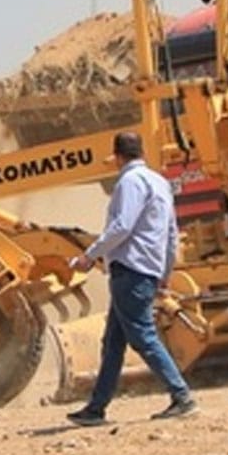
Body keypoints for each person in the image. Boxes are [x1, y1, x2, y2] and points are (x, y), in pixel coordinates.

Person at [65, 130, 198, 425]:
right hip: (148, 269)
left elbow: (122, 226)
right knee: (113, 342)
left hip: (131, 270)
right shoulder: (160, 182)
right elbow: (172, 233)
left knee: (143, 336)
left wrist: (90, 255)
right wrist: (165, 271)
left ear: (117, 156)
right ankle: (96, 408)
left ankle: (182, 395)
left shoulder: (129, 182)